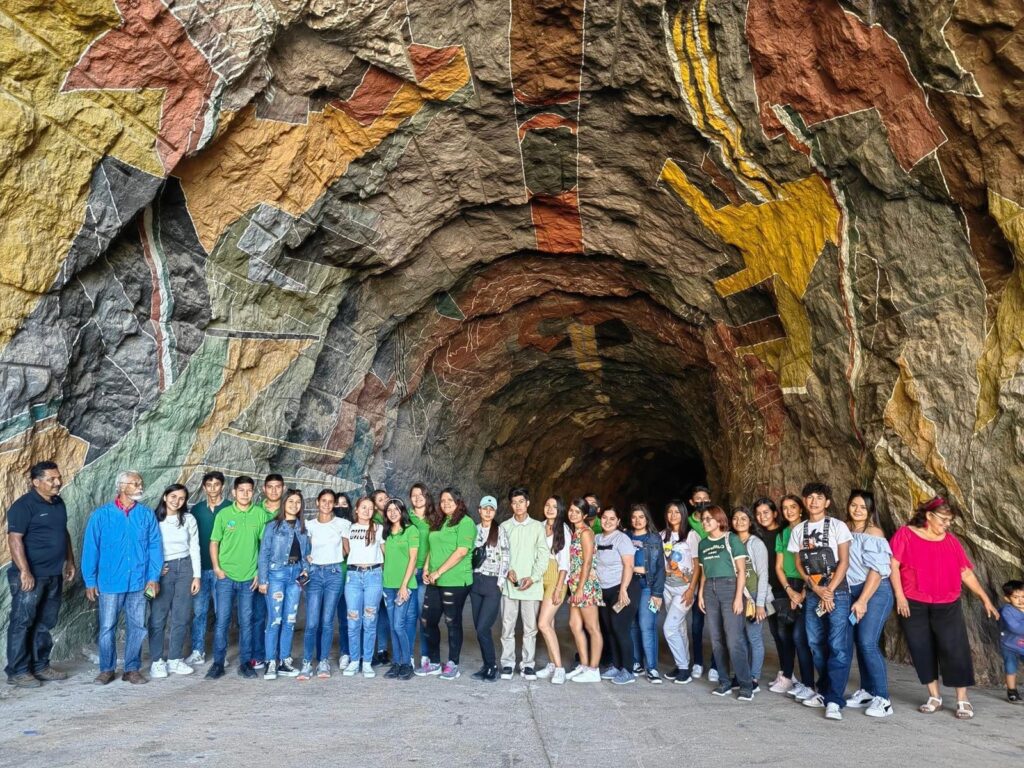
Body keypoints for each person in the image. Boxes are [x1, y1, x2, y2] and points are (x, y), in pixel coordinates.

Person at [891, 496, 999, 719]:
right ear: (929, 516)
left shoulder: (950, 541)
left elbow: (965, 572)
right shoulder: (906, 534)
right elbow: (892, 565)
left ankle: (962, 699)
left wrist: (984, 598)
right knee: (921, 647)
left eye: (950, 521)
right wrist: (899, 596)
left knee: (955, 648)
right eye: (944, 519)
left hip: (947, 603)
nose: (947, 524)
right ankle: (934, 696)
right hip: (913, 602)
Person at [82, 470, 162, 685]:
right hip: (109, 582)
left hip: (138, 582)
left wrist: (153, 577)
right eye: (134, 483)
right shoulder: (101, 515)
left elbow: (155, 547)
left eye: (140, 483)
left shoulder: (146, 515)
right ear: (121, 487)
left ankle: (131, 669)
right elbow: (91, 549)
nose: (139, 487)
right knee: (107, 627)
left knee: (137, 626)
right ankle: (106, 669)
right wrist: (90, 580)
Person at [4, 461, 76, 688]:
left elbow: (63, 532)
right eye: (51, 479)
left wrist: (70, 560)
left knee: (45, 622)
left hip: (53, 574)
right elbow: (14, 539)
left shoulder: (58, 503)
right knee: (22, 622)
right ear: (36, 483)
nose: (57, 482)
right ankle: (18, 670)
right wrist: (25, 572)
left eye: (58, 477)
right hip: (30, 576)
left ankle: (40, 665)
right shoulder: (23, 506)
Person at [788, 482, 853, 720]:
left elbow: (844, 561)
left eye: (819, 497)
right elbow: (797, 563)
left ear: (827, 502)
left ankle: (834, 699)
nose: (813, 501)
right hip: (814, 589)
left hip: (837, 589)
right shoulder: (799, 530)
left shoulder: (838, 526)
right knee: (815, 642)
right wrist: (815, 587)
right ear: (804, 502)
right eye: (809, 497)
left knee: (837, 644)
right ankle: (824, 690)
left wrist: (829, 590)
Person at [206, 476, 266, 680]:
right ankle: (217, 663)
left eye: (249, 490)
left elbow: (264, 548)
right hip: (226, 577)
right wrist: (217, 568)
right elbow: (214, 542)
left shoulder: (259, 514)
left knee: (246, 621)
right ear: (234, 492)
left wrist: (259, 572)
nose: (245, 494)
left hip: (249, 578)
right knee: (222, 620)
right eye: (241, 490)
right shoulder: (224, 514)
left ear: (253, 492)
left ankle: (245, 663)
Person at [842, 490, 895, 717]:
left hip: (875, 591)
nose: (857, 510)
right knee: (858, 641)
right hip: (851, 590)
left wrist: (863, 600)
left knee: (867, 642)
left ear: (870, 510)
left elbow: (877, 570)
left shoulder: (874, 532)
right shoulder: (843, 529)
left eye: (863, 507)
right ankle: (867, 691)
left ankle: (883, 699)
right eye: (854, 505)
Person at [417, 487, 476, 680]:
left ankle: (453, 663)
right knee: (427, 620)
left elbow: (461, 552)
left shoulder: (466, 523)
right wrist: (426, 569)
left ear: (459, 502)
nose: (445, 504)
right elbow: (432, 548)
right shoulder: (439, 521)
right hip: (434, 579)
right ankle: (434, 662)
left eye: (450, 500)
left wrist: (438, 572)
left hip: (456, 580)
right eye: (442, 501)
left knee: (452, 621)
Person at [698, 504, 751, 701]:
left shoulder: (732, 539)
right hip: (710, 589)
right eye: (703, 519)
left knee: (734, 639)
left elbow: (741, 572)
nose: (704, 522)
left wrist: (739, 598)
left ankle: (746, 685)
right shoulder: (703, 544)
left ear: (719, 519)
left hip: (730, 588)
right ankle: (724, 682)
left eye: (708, 519)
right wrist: (700, 594)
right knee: (716, 639)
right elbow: (703, 573)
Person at [148, 484, 201, 679]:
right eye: (173, 496)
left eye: (181, 498)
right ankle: (157, 661)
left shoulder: (188, 519)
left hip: (185, 568)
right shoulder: (153, 519)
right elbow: (146, 546)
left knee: (181, 616)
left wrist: (197, 576)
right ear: (164, 496)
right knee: (158, 617)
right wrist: (154, 569)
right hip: (163, 571)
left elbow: (194, 546)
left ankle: (174, 659)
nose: (176, 501)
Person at [258, 489, 309, 679]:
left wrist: (306, 569)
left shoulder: (302, 528)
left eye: (298, 502)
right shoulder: (272, 526)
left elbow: (307, 553)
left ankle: (284, 661)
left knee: (290, 620)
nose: (294, 505)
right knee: (275, 619)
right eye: (291, 501)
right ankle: (271, 661)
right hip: (276, 575)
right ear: (284, 503)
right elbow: (263, 554)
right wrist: (263, 580)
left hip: (295, 577)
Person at [499, 487, 549, 680]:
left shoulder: (537, 527)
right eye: (514, 502)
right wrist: (508, 570)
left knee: (530, 628)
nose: (518, 506)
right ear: (510, 505)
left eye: (521, 501)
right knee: (507, 626)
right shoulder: (505, 526)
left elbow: (543, 555)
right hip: (510, 586)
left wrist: (534, 577)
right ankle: (507, 663)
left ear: (528, 503)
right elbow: (502, 553)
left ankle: (528, 664)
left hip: (532, 586)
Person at [299, 489, 349, 680]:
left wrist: (334, 558)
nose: (327, 504)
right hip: (314, 573)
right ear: (317, 503)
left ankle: (323, 661)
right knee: (312, 622)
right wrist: (307, 558)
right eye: (324, 501)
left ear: (334, 504)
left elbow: (347, 550)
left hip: (334, 573)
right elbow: (305, 548)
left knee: (327, 621)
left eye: (331, 501)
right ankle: (306, 662)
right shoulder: (309, 525)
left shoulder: (342, 524)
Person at [773, 494, 816, 699]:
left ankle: (810, 683)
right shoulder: (782, 534)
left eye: (793, 507)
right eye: (785, 508)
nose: (789, 511)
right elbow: (779, 566)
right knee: (784, 633)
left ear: (801, 509)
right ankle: (789, 676)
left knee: (801, 636)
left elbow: (815, 565)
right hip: (788, 584)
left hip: (809, 584)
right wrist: (790, 590)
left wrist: (803, 592)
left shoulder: (810, 530)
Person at [187, 471, 230, 665]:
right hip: (201, 569)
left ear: (223, 486)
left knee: (223, 612)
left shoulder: (231, 508)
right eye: (209, 485)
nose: (213, 488)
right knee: (199, 612)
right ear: (204, 487)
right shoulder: (196, 510)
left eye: (217, 484)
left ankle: (222, 653)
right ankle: (198, 650)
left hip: (224, 569)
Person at [595, 507, 639, 685]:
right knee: (609, 629)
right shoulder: (597, 538)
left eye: (612, 519)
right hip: (603, 590)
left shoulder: (623, 539)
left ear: (618, 521)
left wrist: (623, 590)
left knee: (620, 628)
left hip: (621, 589)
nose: (607, 521)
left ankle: (628, 670)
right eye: (604, 518)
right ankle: (616, 665)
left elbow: (628, 565)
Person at [342, 496, 385, 678]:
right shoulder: (348, 528)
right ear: (357, 510)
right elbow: (346, 551)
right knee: (353, 621)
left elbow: (385, 552)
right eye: (364, 507)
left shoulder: (379, 528)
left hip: (373, 576)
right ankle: (354, 660)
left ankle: (367, 661)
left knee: (369, 620)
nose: (367, 511)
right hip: (353, 576)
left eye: (371, 508)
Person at [469, 495, 509, 682]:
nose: (487, 511)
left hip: (493, 583)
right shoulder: (473, 530)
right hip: (476, 582)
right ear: (479, 510)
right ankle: (486, 665)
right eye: (484, 508)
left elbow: (506, 559)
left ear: (494, 512)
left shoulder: (500, 532)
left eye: (491, 509)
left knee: (483, 627)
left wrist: (500, 584)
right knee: (478, 626)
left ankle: (492, 665)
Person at [730, 506, 769, 693]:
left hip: (752, 595)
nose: (739, 521)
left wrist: (760, 604)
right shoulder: (730, 541)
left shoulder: (755, 544)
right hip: (737, 595)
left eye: (743, 518)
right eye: (736, 518)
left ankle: (754, 677)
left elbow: (763, 574)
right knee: (740, 637)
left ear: (750, 521)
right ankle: (742, 675)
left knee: (754, 636)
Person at [382, 498, 420, 681]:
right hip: (388, 585)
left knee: (399, 625)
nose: (392, 512)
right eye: (389, 509)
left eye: (396, 509)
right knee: (393, 626)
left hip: (404, 586)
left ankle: (406, 664)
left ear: (402, 510)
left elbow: (413, 559)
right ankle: (396, 663)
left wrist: (404, 585)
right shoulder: (387, 533)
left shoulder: (411, 530)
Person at [248, 473, 283, 671]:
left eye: (278, 487)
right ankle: (259, 655)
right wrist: (257, 571)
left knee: (279, 615)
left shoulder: (288, 510)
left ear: (283, 488)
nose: (274, 490)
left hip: (281, 572)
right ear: (263, 489)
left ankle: (278, 654)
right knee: (259, 614)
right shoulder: (256, 511)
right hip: (260, 571)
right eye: (270, 487)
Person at [627, 503, 666, 683]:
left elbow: (659, 568)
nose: (637, 520)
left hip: (647, 586)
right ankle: (636, 662)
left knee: (646, 625)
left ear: (647, 518)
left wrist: (657, 593)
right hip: (629, 585)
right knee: (632, 625)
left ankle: (652, 668)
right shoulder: (625, 536)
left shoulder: (654, 539)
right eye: (634, 517)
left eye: (641, 517)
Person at [566, 498, 602, 683]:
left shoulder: (586, 533)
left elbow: (587, 562)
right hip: (575, 586)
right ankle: (584, 664)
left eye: (577, 512)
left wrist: (580, 588)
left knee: (592, 627)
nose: (572, 514)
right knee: (574, 624)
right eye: (571, 510)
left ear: (585, 515)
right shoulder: (575, 532)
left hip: (585, 586)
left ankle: (594, 669)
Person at [752, 497, 787, 690]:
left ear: (775, 513)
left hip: (782, 588)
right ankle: (784, 671)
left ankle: (788, 673)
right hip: (765, 590)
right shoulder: (756, 536)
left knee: (785, 632)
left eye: (766, 512)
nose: (762, 516)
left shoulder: (783, 533)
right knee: (775, 632)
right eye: (758, 514)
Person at [535, 496, 570, 684]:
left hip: (557, 577)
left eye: (554, 506)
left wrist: (558, 588)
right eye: (547, 505)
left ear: (560, 509)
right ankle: (550, 663)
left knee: (543, 623)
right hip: (540, 577)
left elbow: (564, 563)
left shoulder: (563, 529)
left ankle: (559, 668)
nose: (550, 509)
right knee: (551, 624)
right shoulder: (539, 526)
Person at [661, 500, 695, 684]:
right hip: (668, 587)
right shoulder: (662, 535)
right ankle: (684, 664)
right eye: (670, 512)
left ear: (683, 514)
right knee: (679, 627)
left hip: (684, 589)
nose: (673, 515)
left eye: (677, 512)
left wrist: (691, 589)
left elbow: (698, 565)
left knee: (669, 627)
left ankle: (683, 668)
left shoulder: (691, 535)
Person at [687, 484, 718, 682]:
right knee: (697, 624)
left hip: (715, 578)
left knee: (716, 625)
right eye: (698, 499)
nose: (701, 502)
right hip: (695, 579)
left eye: (705, 498)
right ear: (691, 502)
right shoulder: (686, 523)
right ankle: (697, 661)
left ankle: (716, 665)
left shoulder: (715, 520)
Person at [408, 483, 434, 665]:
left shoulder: (434, 519)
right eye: (414, 495)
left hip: (425, 574)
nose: (417, 498)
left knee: (424, 616)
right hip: (409, 573)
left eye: (421, 494)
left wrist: (428, 567)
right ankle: (407, 655)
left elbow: (435, 546)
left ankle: (426, 655)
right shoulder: (405, 517)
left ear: (427, 497)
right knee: (408, 616)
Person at [330, 492, 353, 669]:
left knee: (354, 617)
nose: (340, 507)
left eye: (344, 504)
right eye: (336, 504)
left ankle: (357, 651)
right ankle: (345, 652)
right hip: (334, 577)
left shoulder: (356, 526)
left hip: (353, 578)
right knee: (339, 618)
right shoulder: (326, 526)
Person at [370, 488, 392, 667]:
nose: (384, 502)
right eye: (380, 500)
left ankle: (383, 649)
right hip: (377, 569)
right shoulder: (372, 522)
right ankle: (372, 650)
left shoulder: (394, 517)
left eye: (386, 498)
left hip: (393, 570)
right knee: (374, 611)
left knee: (386, 612)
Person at [1000, 580, 1024, 703]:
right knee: (1010, 667)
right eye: (1016, 597)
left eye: (1023, 596)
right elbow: (1015, 627)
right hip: (1009, 645)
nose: (1021, 600)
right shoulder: (1007, 611)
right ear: (1008, 598)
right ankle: (1012, 691)